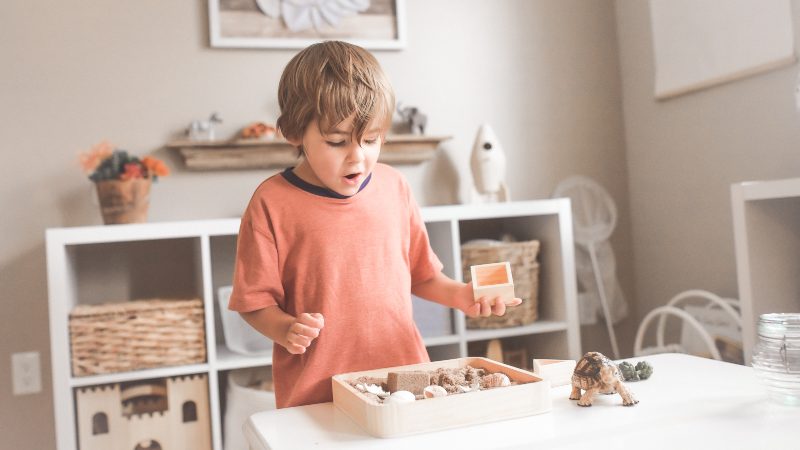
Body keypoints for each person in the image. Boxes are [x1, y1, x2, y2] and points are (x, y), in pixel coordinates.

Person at [228, 40, 521, 408]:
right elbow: (253, 301)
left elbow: (422, 275)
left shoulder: (394, 186)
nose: (357, 157)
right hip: (318, 393)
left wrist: (462, 296)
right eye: (336, 142)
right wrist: (285, 329)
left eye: (371, 140)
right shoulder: (271, 203)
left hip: (405, 380)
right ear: (294, 132)